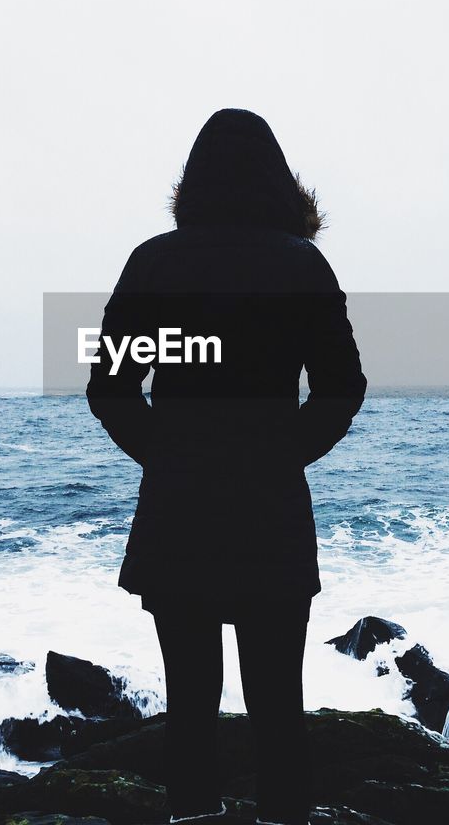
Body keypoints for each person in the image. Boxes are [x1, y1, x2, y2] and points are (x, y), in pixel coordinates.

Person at [86, 108, 366, 825]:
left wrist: (170, 454)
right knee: (278, 704)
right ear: (279, 181)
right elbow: (342, 386)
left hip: (179, 510)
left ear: (194, 181)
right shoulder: (303, 265)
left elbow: (111, 389)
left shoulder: (154, 262)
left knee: (189, 704)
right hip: (270, 509)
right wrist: (285, 452)